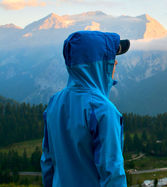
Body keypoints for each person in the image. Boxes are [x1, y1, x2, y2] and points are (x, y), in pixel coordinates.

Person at [40, 31, 130, 187]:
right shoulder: (102, 110)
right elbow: (112, 173)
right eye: (111, 58)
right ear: (99, 64)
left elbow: (47, 161)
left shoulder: (55, 102)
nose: (115, 63)